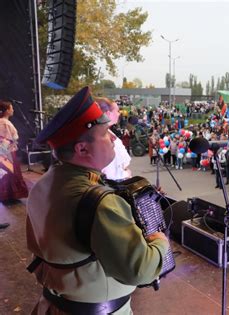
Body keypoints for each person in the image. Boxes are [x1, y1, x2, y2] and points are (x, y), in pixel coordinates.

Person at [26, 87, 169, 314]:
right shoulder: (101, 203)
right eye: (104, 134)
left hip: (53, 304)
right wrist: (160, 241)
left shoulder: (43, 184)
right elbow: (141, 270)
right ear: (82, 148)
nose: (113, 138)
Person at [96, 97, 132, 181]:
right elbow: (111, 173)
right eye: (117, 111)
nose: (119, 114)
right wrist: (126, 173)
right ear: (108, 113)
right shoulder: (103, 136)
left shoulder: (108, 132)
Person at [0, 100, 28, 203]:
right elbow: (12, 137)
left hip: (2, 151)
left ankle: (6, 195)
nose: (13, 110)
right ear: (7, 110)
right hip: (7, 151)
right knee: (10, 172)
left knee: (5, 173)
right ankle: (10, 196)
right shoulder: (5, 123)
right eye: (11, 108)